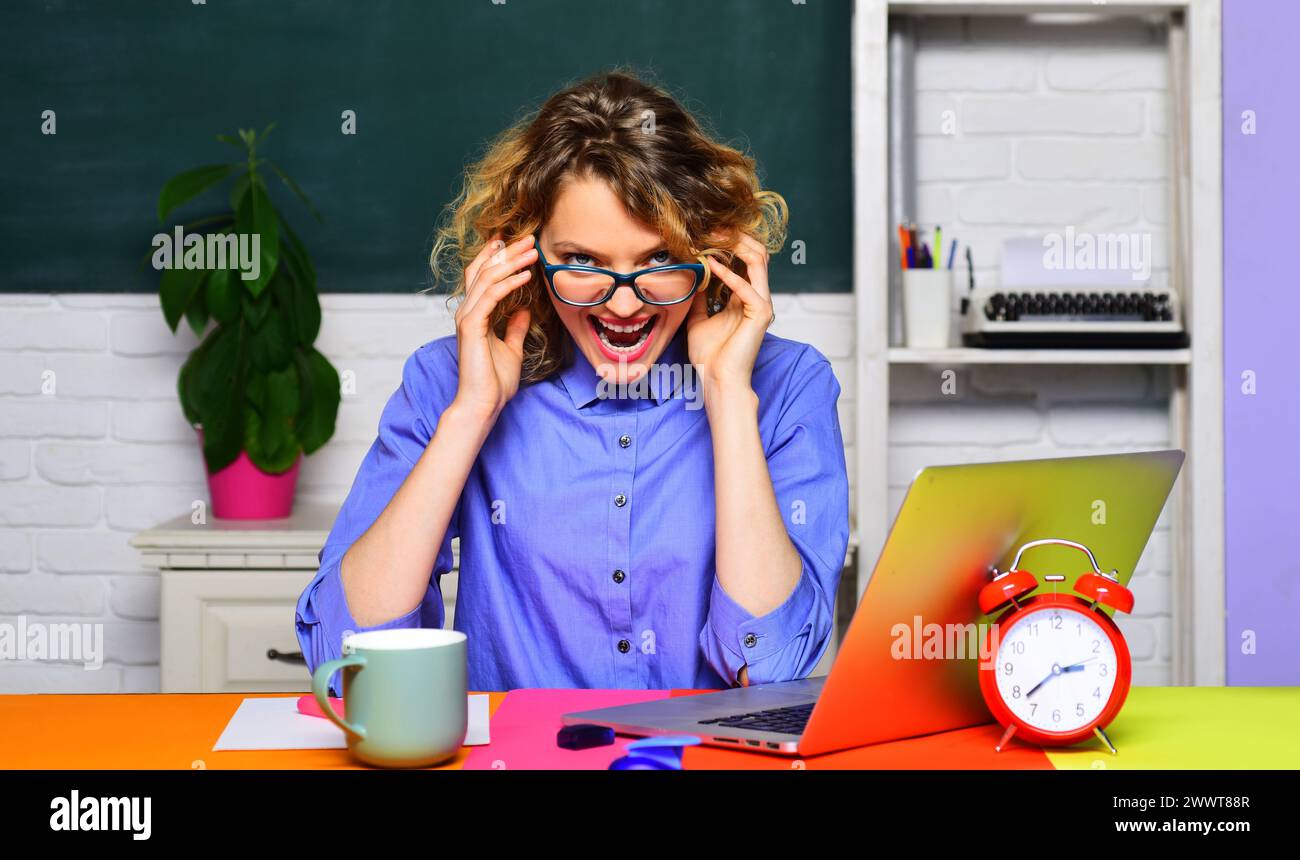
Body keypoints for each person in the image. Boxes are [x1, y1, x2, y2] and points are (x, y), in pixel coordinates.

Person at [296, 70, 849, 694]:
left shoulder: (787, 385)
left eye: (659, 260)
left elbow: (770, 668)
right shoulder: (446, 380)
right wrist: (472, 412)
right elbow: (350, 665)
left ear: (709, 254)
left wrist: (725, 394)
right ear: (526, 255)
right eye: (583, 261)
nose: (621, 305)